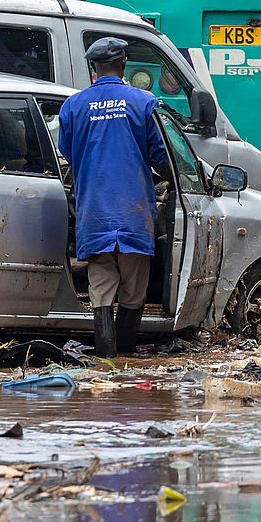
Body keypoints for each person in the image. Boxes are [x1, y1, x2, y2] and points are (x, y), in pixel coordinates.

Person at [58, 35, 170, 357]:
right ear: (123, 64)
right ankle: (126, 360)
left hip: (93, 211)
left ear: (94, 67)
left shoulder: (73, 106)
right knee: (134, 291)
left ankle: (106, 364)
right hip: (134, 213)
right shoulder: (143, 102)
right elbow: (161, 156)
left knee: (101, 288)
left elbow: (68, 151)